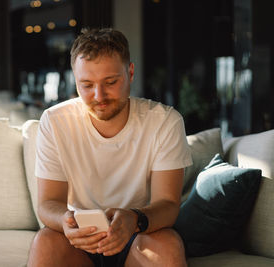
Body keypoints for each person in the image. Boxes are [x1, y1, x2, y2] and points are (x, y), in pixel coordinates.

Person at [27, 28, 192, 267]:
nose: (99, 95)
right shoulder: (54, 122)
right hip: (80, 244)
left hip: (140, 235)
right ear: (75, 80)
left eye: (111, 82)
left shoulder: (164, 121)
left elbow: (168, 205)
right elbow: (47, 203)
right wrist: (65, 221)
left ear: (130, 72)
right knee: (45, 242)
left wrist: (135, 219)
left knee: (167, 244)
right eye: (86, 85)